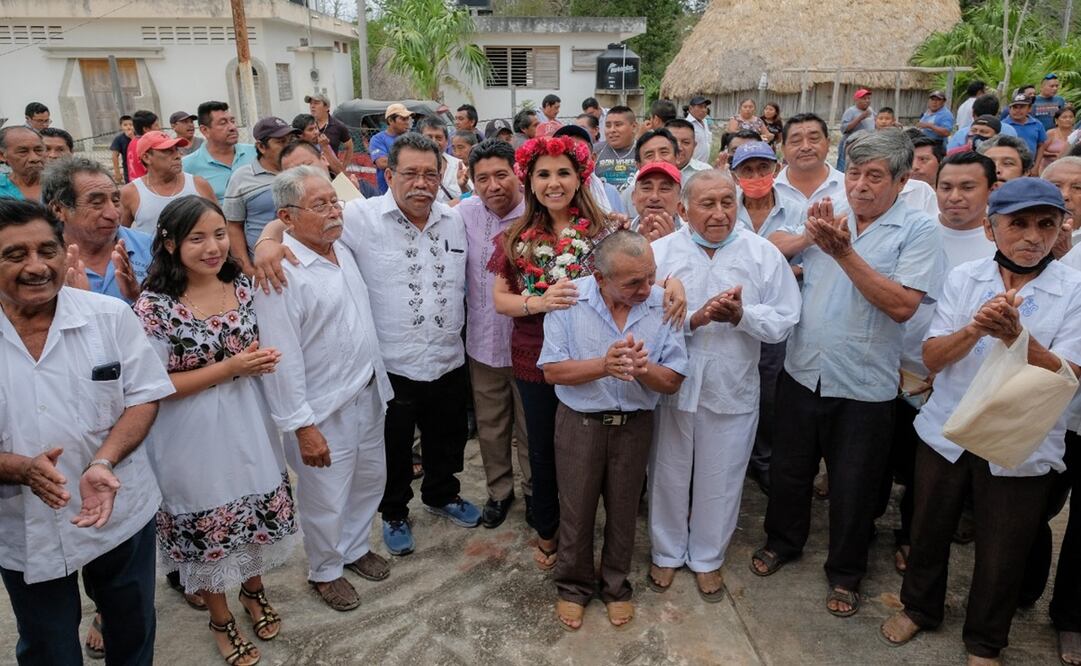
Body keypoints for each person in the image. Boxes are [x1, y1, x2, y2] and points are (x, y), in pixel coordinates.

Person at [880, 177, 1081, 666]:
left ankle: (985, 641)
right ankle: (918, 607)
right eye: (1018, 224)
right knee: (929, 527)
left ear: (1061, 229)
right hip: (947, 430)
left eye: (1046, 224)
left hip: (1020, 439)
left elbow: (1072, 373)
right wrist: (974, 328)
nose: (1032, 236)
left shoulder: (1074, 289)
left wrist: (1018, 339)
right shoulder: (965, 278)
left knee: (1004, 546)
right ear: (991, 230)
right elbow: (932, 356)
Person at [757, 129, 944, 617]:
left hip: (864, 382)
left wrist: (843, 252)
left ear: (901, 181)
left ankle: (845, 572)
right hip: (803, 369)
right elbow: (771, 248)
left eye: (874, 176)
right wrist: (810, 236)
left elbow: (902, 305)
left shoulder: (919, 231)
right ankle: (783, 541)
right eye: (855, 173)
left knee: (854, 484)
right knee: (790, 469)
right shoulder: (830, 210)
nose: (860, 185)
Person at [489, 135, 682, 573]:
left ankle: (606, 538)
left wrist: (675, 284)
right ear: (529, 182)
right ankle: (550, 529)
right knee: (544, 450)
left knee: (600, 447)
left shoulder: (608, 229)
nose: (553, 183)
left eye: (563, 173)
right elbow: (501, 300)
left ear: (580, 178)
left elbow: (642, 272)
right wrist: (539, 302)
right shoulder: (516, 237)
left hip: (601, 354)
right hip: (537, 355)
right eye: (543, 174)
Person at [0, 198, 174, 665]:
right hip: (23, 523)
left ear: (65, 252)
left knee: (132, 629)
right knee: (48, 645)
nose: (36, 267)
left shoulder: (108, 316)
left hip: (120, 508)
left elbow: (144, 396)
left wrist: (104, 460)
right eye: (15, 255)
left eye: (47, 251)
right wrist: (18, 468)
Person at [134, 195, 297, 665]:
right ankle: (220, 618)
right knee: (209, 528)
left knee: (253, 516)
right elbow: (154, 386)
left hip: (249, 421)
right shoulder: (153, 307)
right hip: (189, 434)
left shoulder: (241, 285)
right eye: (197, 238)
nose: (213, 248)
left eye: (220, 235)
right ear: (170, 244)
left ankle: (253, 591)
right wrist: (231, 368)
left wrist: (259, 362)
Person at [648, 171, 799, 600]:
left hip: (732, 387)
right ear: (683, 209)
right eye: (707, 204)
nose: (719, 213)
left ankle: (707, 558)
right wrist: (693, 320)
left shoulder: (762, 253)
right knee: (667, 471)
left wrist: (742, 316)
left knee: (723, 475)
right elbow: (640, 316)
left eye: (727, 202)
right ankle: (665, 552)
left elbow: (786, 318)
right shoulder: (660, 253)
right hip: (672, 385)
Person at [253, 166, 393, 611]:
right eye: (320, 205)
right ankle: (325, 570)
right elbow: (281, 358)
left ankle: (354, 547)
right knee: (325, 497)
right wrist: (302, 426)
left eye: (334, 202)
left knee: (369, 480)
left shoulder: (341, 248)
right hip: (321, 411)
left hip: (367, 391)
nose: (334, 211)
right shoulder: (280, 273)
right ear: (287, 217)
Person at [539, 229, 688, 630]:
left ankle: (616, 587)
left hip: (634, 427)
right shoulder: (569, 300)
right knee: (576, 510)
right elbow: (552, 371)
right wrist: (603, 366)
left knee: (624, 510)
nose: (646, 289)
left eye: (651, 276)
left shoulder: (663, 303)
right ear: (600, 278)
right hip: (580, 425)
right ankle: (573, 587)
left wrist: (643, 369)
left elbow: (673, 379)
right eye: (633, 282)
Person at [889, 151, 998, 575]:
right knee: (891, 456)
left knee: (931, 472)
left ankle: (911, 537)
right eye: (946, 187)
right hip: (900, 368)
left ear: (991, 191)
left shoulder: (997, 246)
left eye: (968, 187)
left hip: (957, 376)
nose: (955, 197)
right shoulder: (917, 232)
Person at [457, 139, 533, 528]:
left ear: (517, 174)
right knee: (491, 426)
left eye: (501, 175)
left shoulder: (538, 212)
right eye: (482, 178)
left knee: (532, 428)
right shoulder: (462, 214)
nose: (493, 186)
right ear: (472, 181)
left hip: (530, 347)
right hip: (482, 346)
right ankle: (500, 492)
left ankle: (536, 493)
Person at [730, 141, 805, 493]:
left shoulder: (797, 210)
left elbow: (812, 263)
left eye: (763, 168)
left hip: (774, 315)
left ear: (776, 170)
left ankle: (763, 459)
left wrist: (787, 270)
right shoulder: (726, 207)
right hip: (732, 314)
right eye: (747, 170)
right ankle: (735, 457)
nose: (756, 176)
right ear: (735, 175)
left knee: (770, 392)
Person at [43, 157, 152, 305]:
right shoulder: (43, 263)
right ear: (58, 210)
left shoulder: (151, 248)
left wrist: (138, 297)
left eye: (116, 201)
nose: (113, 214)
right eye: (97, 203)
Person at [223, 117, 298, 271]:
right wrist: (246, 267)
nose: (289, 147)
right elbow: (234, 226)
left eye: (291, 140)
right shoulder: (241, 178)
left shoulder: (301, 171)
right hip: (264, 269)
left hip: (304, 262)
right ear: (261, 147)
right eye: (281, 142)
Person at [120, 131, 215, 235]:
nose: (178, 156)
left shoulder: (199, 184)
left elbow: (219, 225)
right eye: (168, 151)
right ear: (146, 158)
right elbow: (119, 234)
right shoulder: (131, 193)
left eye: (176, 150)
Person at [182, 101, 257, 204]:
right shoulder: (187, 166)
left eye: (232, 121)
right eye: (223, 123)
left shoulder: (256, 153)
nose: (232, 127)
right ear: (205, 130)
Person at [773, 113, 846, 209]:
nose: (806, 147)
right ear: (783, 149)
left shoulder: (848, 186)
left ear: (828, 143)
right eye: (796, 141)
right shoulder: (771, 190)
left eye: (814, 139)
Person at [552, 124, 622, 215]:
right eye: (565, 155)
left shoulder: (609, 192)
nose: (573, 163)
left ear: (593, 158)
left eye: (579, 155)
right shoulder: (550, 193)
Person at [416, 117, 469, 203]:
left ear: (447, 141)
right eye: (429, 137)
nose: (433, 142)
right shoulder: (411, 166)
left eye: (439, 138)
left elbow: (472, 198)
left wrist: (463, 187)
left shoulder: (457, 165)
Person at [629, 161, 683, 239]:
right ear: (633, 197)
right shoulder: (621, 232)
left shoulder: (693, 234)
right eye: (647, 188)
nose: (654, 197)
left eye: (664, 189)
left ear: (680, 199)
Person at [369, 103, 413, 194]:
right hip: (387, 192)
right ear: (390, 120)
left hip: (409, 190)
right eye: (403, 119)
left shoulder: (412, 138)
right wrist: (410, 161)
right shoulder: (378, 139)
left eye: (407, 119)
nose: (407, 122)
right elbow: (382, 162)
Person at [594, 106, 640, 193]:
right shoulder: (595, 151)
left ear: (634, 127)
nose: (612, 130)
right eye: (608, 126)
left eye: (618, 125)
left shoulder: (643, 151)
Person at [949, 94, 1019, 150]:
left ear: (973, 113)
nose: (977, 134)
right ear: (997, 114)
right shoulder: (1010, 131)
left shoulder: (962, 134)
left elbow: (950, 156)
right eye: (975, 131)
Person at [305, 92, 353, 169]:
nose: (312, 106)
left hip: (332, 171)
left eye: (316, 103)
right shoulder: (306, 125)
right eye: (311, 103)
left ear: (326, 107)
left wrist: (343, 167)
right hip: (312, 171)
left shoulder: (338, 126)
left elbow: (349, 147)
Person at [1003, 93, 1048, 168]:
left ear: (1029, 109)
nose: (1017, 110)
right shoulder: (1003, 125)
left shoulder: (1037, 124)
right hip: (1009, 166)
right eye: (1014, 107)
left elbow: (1041, 145)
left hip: (1030, 166)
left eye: (1021, 107)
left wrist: (1036, 166)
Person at [0, 127, 44, 201]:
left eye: (38, 150)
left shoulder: (60, 184)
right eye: (23, 152)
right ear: (2, 155)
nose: (34, 158)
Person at [838, 89, 875, 172]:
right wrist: (860, 117)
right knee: (844, 166)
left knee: (859, 166)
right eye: (864, 99)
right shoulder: (851, 111)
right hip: (850, 145)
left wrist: (893, 123)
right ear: (856, 99)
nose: (867, 101)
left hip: (865, 144)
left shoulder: (870, 110)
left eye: (868, 98)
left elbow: (876, 120)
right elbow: (844, 129)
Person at [125, 110, 160, 182]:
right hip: (147, 184)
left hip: (135, 182)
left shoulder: (132, 142)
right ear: (146, 129)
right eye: (156, 125)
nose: (159, 128)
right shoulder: (147, 144)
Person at [1040, 106, 1075, 173]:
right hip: (1049, 169)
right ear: (1056, 120)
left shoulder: (1077, 134)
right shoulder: (1050, 133)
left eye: (1071, 117)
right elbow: (1040, 151)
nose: (1068, 119)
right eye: (1064, 117)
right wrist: (1053, 155)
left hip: (1070, 170)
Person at [110, 115, 135, 184]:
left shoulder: (138, 136)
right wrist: (117, 172)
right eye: (125, 125)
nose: (128, 127)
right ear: (121, 127)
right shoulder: (118, 139)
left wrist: (132, 137)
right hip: (128, 169)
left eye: (131, 124)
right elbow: (114, 156)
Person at [687, 96, 712, 162]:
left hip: (704, 164)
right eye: (700, 107)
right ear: (690, 108)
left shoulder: (705, 122)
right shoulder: (687, 124)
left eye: (705, 107)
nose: (704, 110)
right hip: (692, 164)